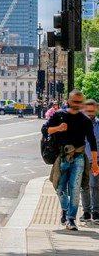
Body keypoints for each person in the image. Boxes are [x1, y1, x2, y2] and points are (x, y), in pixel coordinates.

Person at [44, 90, 99, 230]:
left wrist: (95, 163)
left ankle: (70, 219)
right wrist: (58, 128)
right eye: (74, 101)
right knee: (60, 189)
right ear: (68, 101)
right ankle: (65, 209)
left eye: (79, 102)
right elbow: (45, 130)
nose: (76, 105)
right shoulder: (59, 116)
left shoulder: (85, 120)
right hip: (62, 157)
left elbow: (92, 141)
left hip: (79, 158)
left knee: (75, 189)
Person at [80, 99, 99, 223]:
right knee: (84, 187)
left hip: (96, 161)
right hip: (81, 161)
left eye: (92, 110)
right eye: (88, 110)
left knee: (95, 186)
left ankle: (96, 212)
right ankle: (86, 212)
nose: (90, 113)